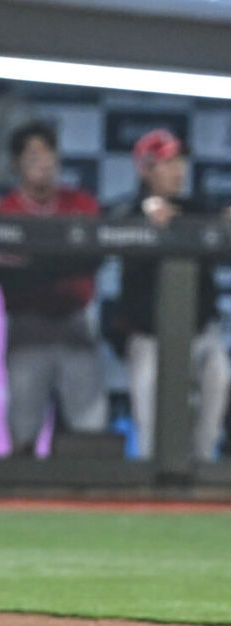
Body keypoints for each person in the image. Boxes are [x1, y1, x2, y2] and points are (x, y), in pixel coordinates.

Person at [108, 129, 230, 461]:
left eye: (180, 161)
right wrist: (147, 219)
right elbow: (110, 224)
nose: (179, 170)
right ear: (145, 169)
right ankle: (149, 479)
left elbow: (219, 228)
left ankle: (204, 464)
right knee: (148, 423)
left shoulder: (196, 209)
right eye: (167, 162)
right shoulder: (126, 211)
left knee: (220, 373)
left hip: (200, 334)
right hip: (149, 337)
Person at [0, 121, 106, 456]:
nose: (43, 162)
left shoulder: (81, 203)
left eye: (48, 154)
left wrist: (33, 264)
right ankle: (20, 499)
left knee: (89, 425)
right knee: (23, 425)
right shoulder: (5, 210)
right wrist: (58, 264)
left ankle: (87, 498)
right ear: (16, 164)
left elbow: (92, 261)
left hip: (75, 322)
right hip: (27, 325)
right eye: (32, 156)